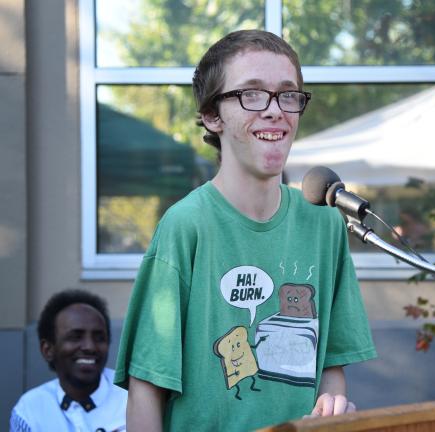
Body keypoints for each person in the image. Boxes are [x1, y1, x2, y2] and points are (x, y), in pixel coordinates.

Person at [114, 29, 377, 431]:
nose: (275, 110)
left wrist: (332, 408)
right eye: (251, 94)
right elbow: (147, 388)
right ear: (212, 115)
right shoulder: (185, 225)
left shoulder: (324, 222)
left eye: (288, 94)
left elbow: (330, 367)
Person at [10, 289, 127, 432]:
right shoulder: (30, 410)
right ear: (48, 349)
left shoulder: (130, 398)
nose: (90, 347)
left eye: (99, 338)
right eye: (75, 337)